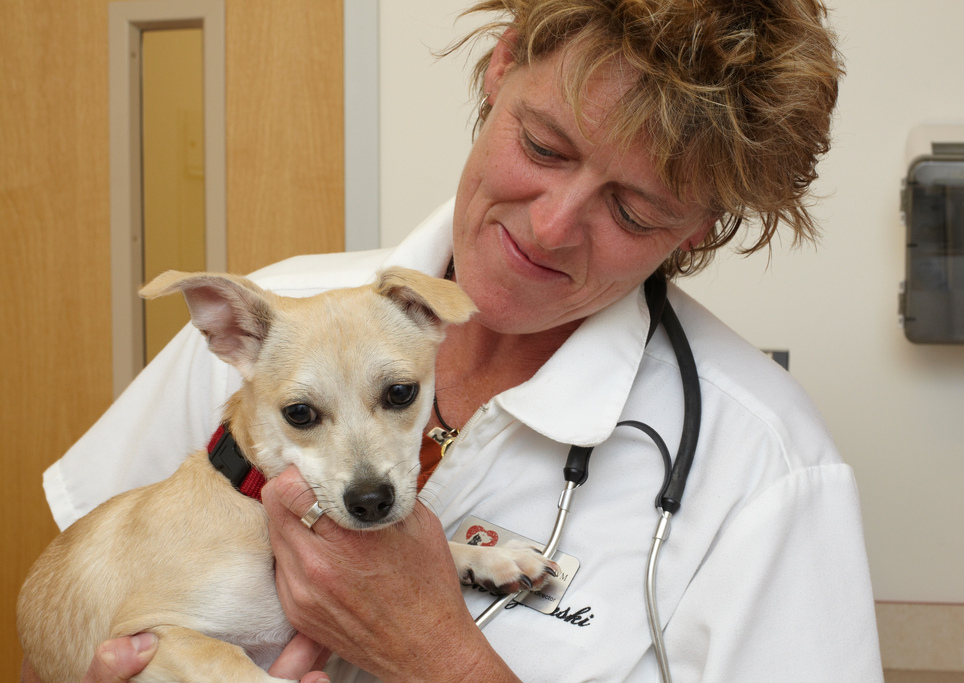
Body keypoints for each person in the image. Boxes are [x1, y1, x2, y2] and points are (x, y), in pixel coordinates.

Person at [28, 0, 883, 681]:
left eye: (632, 210)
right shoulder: (270, 326)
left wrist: (439, 655)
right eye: (543, 146)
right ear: (501, 66)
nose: (551, 227)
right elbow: (61, 632)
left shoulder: (768, 470)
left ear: (700, 227)